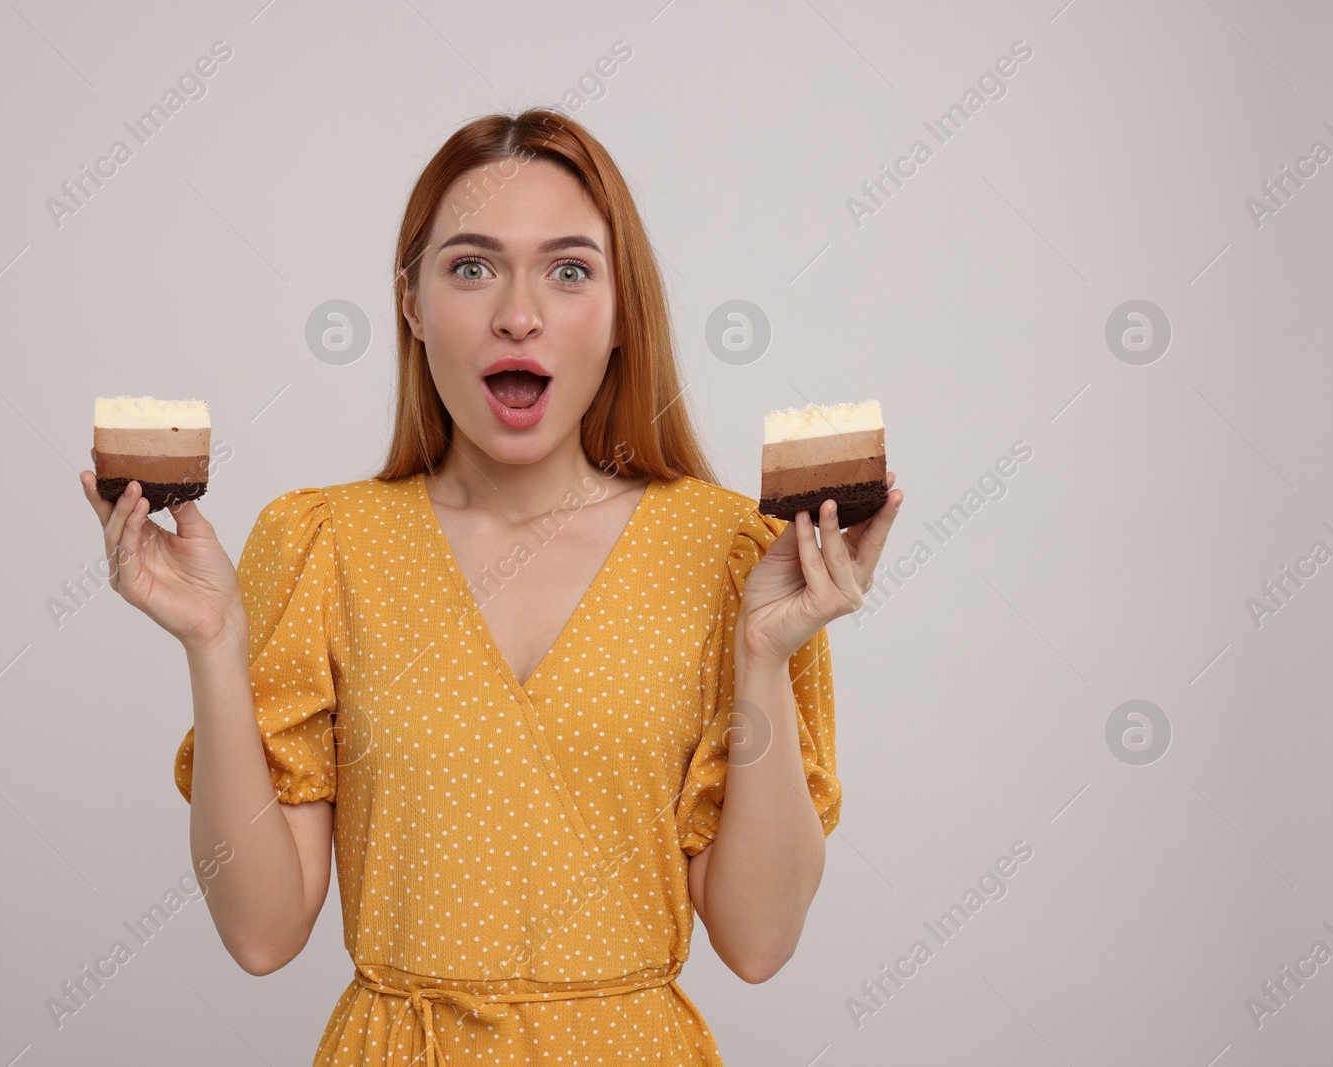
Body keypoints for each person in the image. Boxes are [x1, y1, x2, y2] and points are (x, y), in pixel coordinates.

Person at [79, 107, 902, 1066]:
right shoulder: (323, 544)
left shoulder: (733, 555)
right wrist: (214, 644)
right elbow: (261, 934)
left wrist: (764, 654)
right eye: (472, 267)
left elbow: (758, 944)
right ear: (412, 304)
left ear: (622, 309)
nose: (520, 312)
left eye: (569, 269)